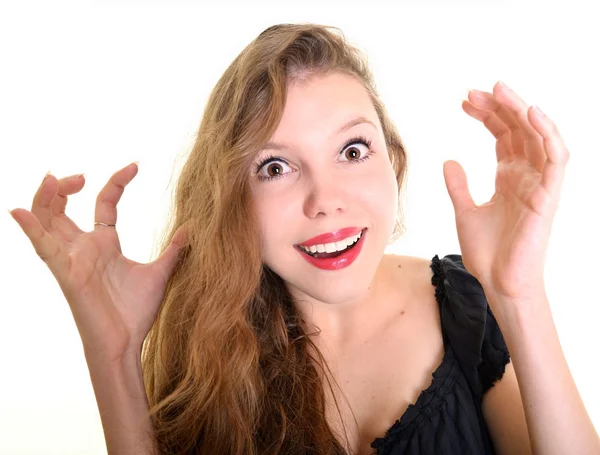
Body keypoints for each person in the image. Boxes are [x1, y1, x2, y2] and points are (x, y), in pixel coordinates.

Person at [9, 23, 599, 455]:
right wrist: (112, 352)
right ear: (230, 198)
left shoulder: (465, 308)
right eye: (275, 167)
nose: (325, 200)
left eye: (351, 150)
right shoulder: (207, 353)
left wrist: (517, 294)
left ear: (391, 162)